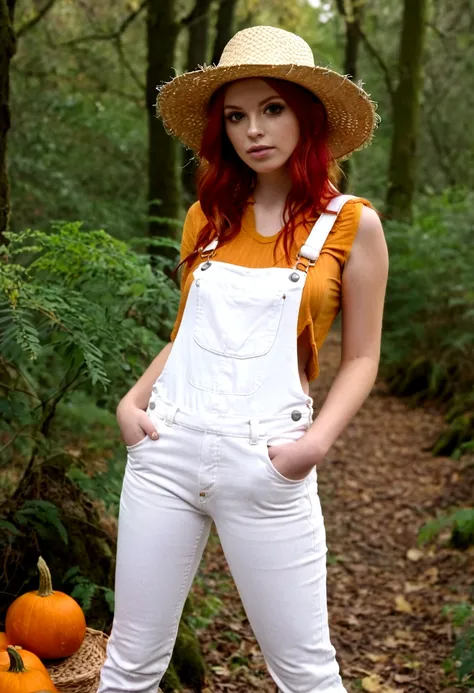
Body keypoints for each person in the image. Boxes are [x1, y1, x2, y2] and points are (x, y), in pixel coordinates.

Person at [97, 24, 388, 693]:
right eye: (236, 115)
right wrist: (131, 403)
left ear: (306, 115)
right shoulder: (206, 217)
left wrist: (313, 445)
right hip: (165, 455)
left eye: (272, 109)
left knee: (307, 675)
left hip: (269, 466)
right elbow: (186, 333)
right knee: (130, 664)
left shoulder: (350, 223)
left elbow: (364, 355)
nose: (253, 129)